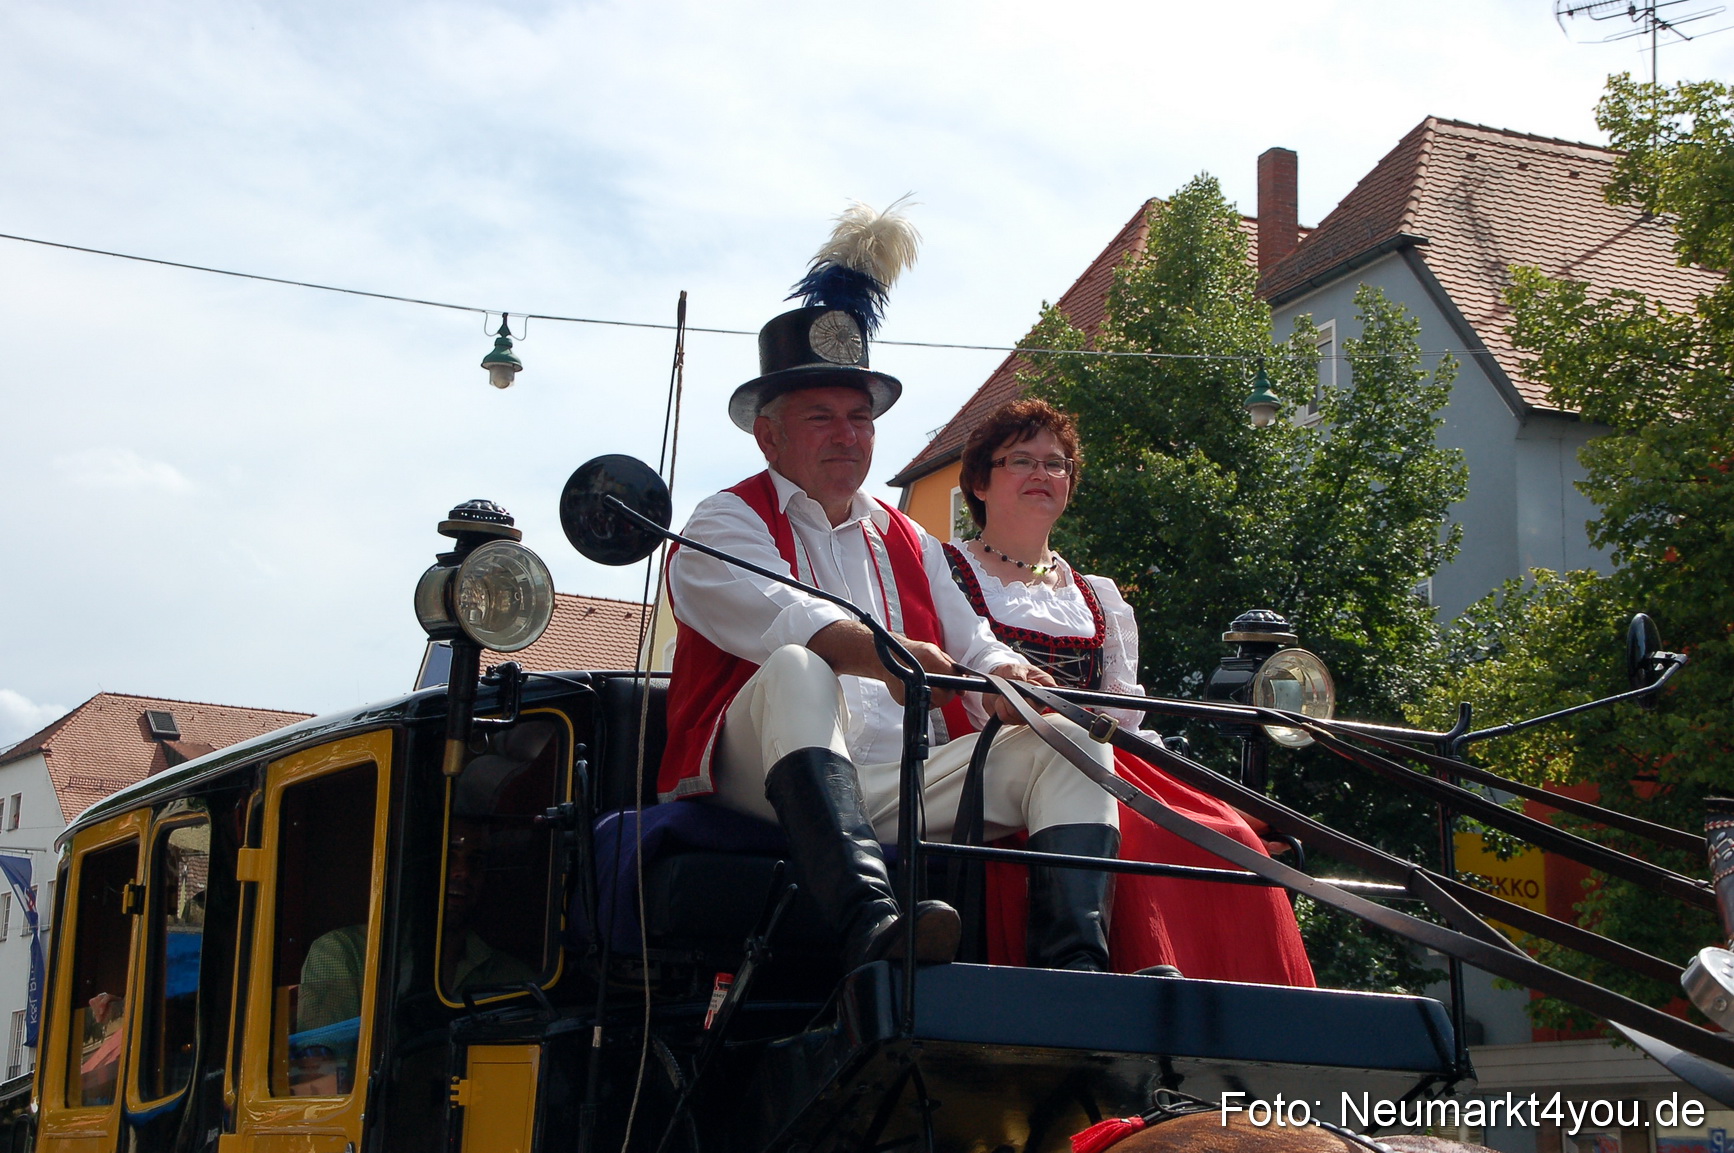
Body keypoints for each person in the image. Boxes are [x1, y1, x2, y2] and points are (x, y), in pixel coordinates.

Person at [664, 203, 1121, 973]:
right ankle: (870, 921)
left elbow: (976, 643)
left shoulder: (910, 537)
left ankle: (1076, 972)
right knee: (798, 666)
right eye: (822, 416)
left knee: (1073, 743)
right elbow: (790, 621)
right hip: (759, 778)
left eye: (860, 416)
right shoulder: (722, 523)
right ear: (769, 434)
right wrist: (895, 656)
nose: (848, 434)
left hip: (892, 782)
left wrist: (1013, 677)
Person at [943, 398, 1315, 986]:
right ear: (980, 483)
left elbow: (1128, 722)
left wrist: (1195, 785)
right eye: (1021, 460)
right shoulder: (946, 572)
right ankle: (1119, 983)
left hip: (1105, 764)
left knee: (1228, 834)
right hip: (994, 770)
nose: (1042, 474)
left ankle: (1222, 1012)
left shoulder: (1099, 596)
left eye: (1056, 463)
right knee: (1144, 833)